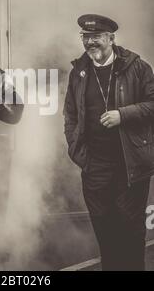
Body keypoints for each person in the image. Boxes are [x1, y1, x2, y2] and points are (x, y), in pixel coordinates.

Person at [63, 14, 154, 270]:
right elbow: (70, 115)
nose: (90, 42)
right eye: (85, 37)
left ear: (111, 39)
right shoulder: (79, 71)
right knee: (106, 237)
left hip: (130, 168)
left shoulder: (138, 68)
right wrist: (77, 151)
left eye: (96, 37)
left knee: (132, 237)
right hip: (95, 169)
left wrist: (123, 115)